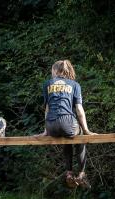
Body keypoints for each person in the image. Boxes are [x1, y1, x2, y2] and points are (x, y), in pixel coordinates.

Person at [38, 60, 95, 189]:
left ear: (56, 71)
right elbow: (79, 110)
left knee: (66, 140)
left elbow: (47, 109)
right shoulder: (74, 85)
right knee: (80, 137)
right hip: (67, 123)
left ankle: (69, 173)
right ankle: (81, 174)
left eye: (52, 71)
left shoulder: (47, 84)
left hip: (51, 126)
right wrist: (86, 130)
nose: (51, 73)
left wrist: (46, 130)